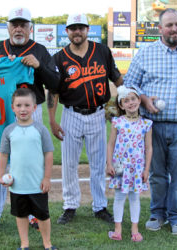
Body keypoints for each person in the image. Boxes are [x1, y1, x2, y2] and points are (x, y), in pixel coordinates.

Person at [0, 7, 60, 234]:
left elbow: (55, 82)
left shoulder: (40, 50)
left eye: (23, 24)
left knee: (32, 159)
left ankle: (34, 212)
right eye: (14, 24)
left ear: (30, 28)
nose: (18, 28)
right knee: (0, 159)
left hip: (32, 111)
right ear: (8, 26)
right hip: (0, 112)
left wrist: (38, 66)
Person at [124, 8, 177, 235]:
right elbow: (129, 85)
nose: (174, 29)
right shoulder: (146, 53)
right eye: (169, 25)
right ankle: (157, 214)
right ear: (160, 29)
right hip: (152, 126)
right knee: (157, 175)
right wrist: (144, 99)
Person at [48, 13, 123, 224]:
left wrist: (124, 100)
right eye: (73, 28)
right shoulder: (59, 58)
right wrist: (53, 120)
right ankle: (70, 205)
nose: (77, 31)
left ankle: (100, 206)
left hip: (98, 113)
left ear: (87, 30)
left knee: (98, 164)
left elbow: (117, 78)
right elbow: (53, 90)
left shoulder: (102, 51)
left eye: (81, 27)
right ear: (67, 31)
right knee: (69, 163)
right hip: (71, 114)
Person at [0, 88, 57, 250]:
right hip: (18, 184)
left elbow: (49, 154)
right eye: (18, 105)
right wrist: (1, 174)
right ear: (13, 108)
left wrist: (46, 178)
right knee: (21, 214)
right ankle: (25, 244)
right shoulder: (9, 131)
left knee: (43, 215)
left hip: (37, 183)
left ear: (34, 107)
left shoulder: (40, 130)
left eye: (27, 105)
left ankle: (47, 243)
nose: (23, 109)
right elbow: (3, 154)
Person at [105, 86, 152, 242]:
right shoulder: (117, 122)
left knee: (134, 197)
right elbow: (110, 144)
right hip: (120, 166)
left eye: (133, 99)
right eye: (126, 100)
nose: (131, 103)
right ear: (121, 105)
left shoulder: (146, 124)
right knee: (119, 196)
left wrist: (146, 169)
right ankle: (117, 230)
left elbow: (148, 148)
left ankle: (135, 229)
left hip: (137, 167)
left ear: (139, 100)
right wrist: (109, 164)